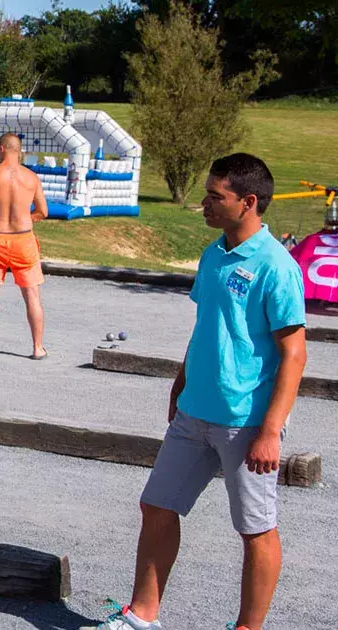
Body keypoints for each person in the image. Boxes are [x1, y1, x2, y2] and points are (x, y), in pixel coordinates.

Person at [95, 154, 306, 630]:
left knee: (255, 529)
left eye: (216, 196)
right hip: (194, 412)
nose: (205, 204)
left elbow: (294, 354)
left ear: (248, 203)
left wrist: (271, 430)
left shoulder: (276, 265)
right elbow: (207, 324)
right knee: (157, 506)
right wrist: (181, 380)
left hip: (246, 421)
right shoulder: (214, 254)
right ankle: (142, 616)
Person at [0, 132, 50, 359]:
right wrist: (26, 217)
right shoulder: (32, 178)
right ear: (18, 150)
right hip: (24, 240)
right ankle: (37, 348)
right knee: (32, 295)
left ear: (2, 149)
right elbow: (43, 212)